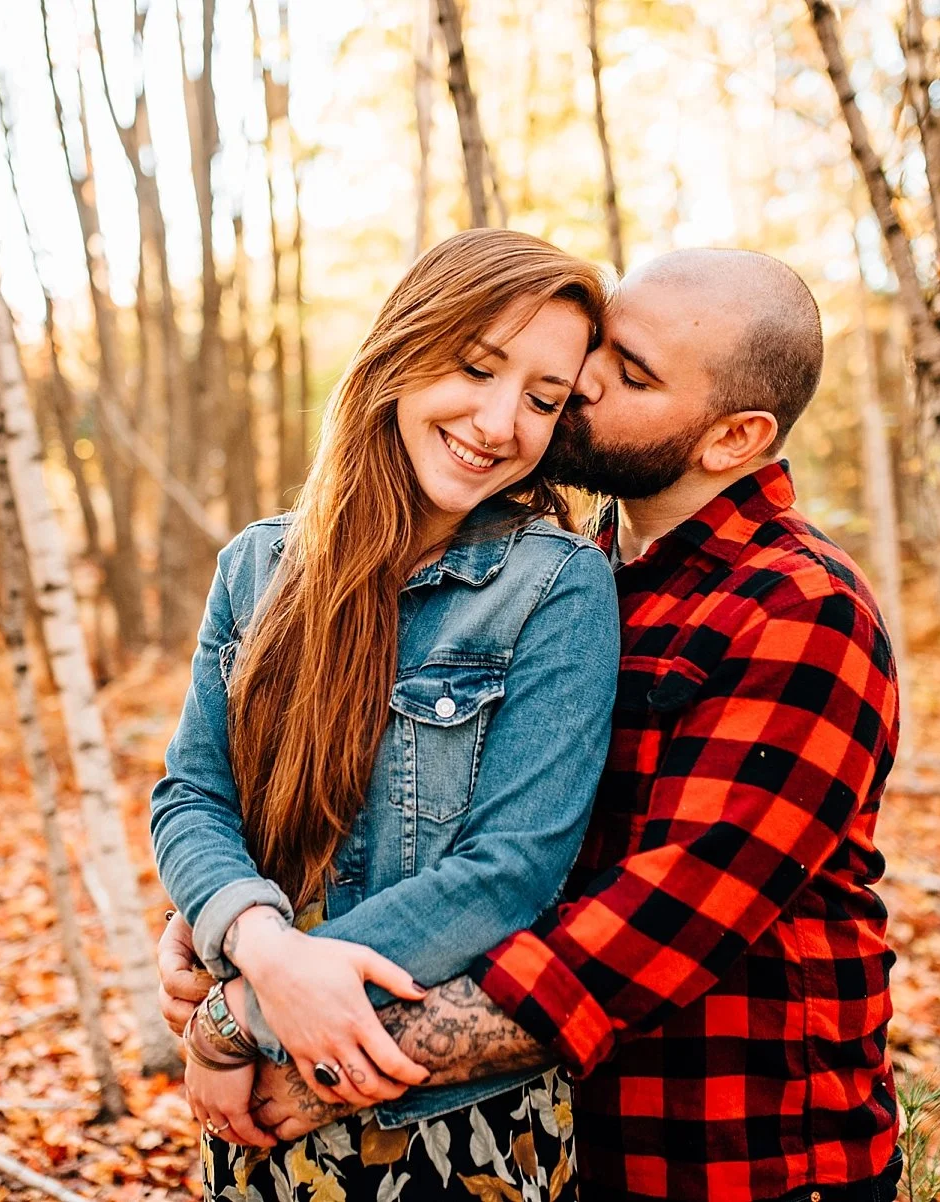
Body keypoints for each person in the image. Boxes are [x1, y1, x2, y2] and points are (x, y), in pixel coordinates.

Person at [161, 249, 904, 1202]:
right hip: (577, 1130)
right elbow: (262, 796)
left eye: (627, 374)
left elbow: (641, 934)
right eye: (599, 351)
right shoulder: (588, 563)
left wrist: (266, 1024)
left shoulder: (799, 609)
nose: (582, 382)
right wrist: (227, 920)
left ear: (733, 438)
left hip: (733, 1154)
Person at [149, 227, 621, 1200]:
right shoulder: (258, 566)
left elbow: (510, 871)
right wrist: (258, 945)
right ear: (404, 348)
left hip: (452, 1126)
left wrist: (240, 1013)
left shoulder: (555, 584)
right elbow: (192, 793)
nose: (499, 421)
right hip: (258, 1129)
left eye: (541, 398)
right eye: (478, 366)